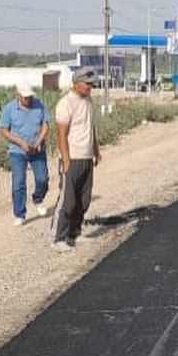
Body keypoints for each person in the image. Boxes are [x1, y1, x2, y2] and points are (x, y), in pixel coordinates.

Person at [50, 67, 101, 252]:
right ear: (77, 83)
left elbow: (91, 127)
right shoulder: (66, 103)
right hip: (72, 157)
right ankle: (58, 237)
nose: (90, 88)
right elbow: (61, 134)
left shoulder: (88, 101)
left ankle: (75, 233)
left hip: (86, 156)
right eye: (88, 84)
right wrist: (65, 160)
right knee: (68, 200)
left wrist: (96, 151)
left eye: (92, 85)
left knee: (84, 199)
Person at [0, 84, 51, 226]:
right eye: (26, 97)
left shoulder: (39, 105)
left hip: (37, 149)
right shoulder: (9, 109)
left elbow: (45, 125)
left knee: (42, 179)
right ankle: (20, 213)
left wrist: (40, 140)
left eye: (30, 96)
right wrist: (20, 143)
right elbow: (3, 130)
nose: (28, 99)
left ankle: (38, 198)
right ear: (18, 95)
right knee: (18, 182)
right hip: (18, 151)